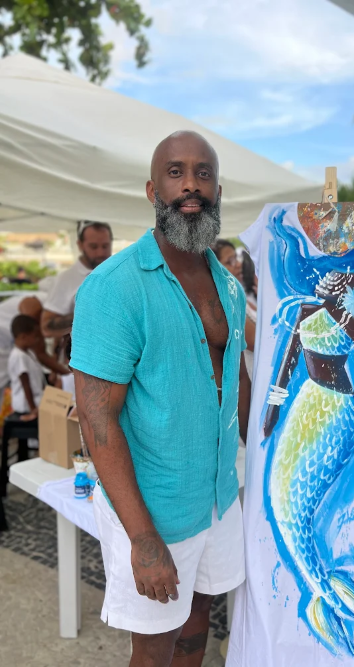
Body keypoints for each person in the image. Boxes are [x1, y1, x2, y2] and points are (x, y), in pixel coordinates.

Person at [71, 131, 250, 667]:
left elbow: (236, 379)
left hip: (218, 496)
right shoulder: (115, 286)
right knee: (154, 647)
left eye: (203, 173)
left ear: (218, 190)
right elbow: (98, 420)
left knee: (198, 619)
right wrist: (143, 538)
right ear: (153, 190)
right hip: (155, 508)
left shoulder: (229, 286)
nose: (191, 185)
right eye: (176, 172)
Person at [41, 221, 113, 337]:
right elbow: (46, 328)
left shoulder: (119, 273)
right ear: (80, 245)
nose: (101, 253)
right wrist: (86, 314)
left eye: (105, 246)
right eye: (93, 247)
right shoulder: (65, 280)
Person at [7, 315, 62, 420]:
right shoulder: (18, 356)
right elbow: (25, 384)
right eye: (35, 336)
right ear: (23, 337)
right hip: (26, 405)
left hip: (37, 400)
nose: (37, 340)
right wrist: (33, 409)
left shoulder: (29, 353)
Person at [212, 239, 256, 365]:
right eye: (230, 261)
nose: (238, 264)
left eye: (236, 258)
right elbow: (258, 342)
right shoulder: (226, 305)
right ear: (215, 268)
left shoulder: (239, 296)